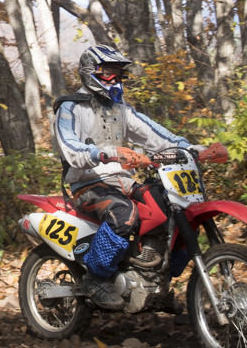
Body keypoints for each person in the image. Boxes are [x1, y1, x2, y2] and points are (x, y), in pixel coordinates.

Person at [52, 44, 227, 306]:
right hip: (87, 183)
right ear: (92, 72)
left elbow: (157, 136)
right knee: (123, 215)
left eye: (119, 74)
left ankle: (154, 276)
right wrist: (107, 152)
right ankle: (96, 279)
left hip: (124, 181)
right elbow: (70, 148)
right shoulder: (70, 107)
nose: (116, 79)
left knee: (170, 208)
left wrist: (194, 149)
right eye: (109, 72)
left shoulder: (121, 108)